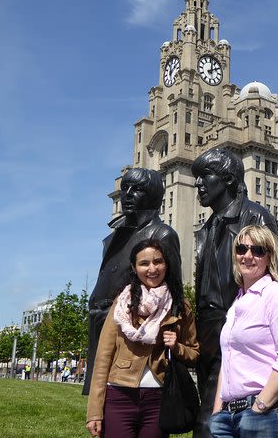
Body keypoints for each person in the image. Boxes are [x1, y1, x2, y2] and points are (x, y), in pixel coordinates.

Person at [191, 148, 278, 437]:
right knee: (214, 415)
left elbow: (275, 279)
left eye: (205, 176)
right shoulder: (207, 227)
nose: (198, 184)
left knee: (209, 425)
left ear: (228, 178)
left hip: (239, 331)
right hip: (207, 334)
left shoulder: (255, 217)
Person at [86, 239, 199, 438]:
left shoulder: (180, 305)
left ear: (166, 265)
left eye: (158, 261)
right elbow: (103, 358)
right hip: (119, 395)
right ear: (134, 267)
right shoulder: (121, 304)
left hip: (158, 399)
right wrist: (94, 412)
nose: (152, 269)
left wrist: (177, 347)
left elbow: (194, 352)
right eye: (144, 263)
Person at [84, 168, 181, 395]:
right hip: (103, 325)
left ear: (154, 195)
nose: (128, 194)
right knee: (102, 401)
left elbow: (175, 291)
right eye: (125, 188)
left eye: (137, 189)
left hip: (133, 337)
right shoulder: (116, 235)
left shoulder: (162, 234)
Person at [208, 225, 278, 438]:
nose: (248, 255)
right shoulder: (237, 303)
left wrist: (259, 407)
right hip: (227, 417)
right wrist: (217, 412)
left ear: (269, 257)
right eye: (242, 249)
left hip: (266, 414)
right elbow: (228, 361)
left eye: (258, 250)